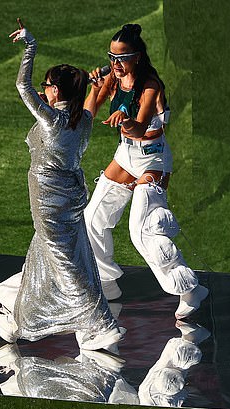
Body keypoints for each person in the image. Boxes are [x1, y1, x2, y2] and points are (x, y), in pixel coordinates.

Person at [0, 19, 124, 351]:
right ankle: (15, 319)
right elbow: (91, 103)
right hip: (69, 201)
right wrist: (97, 86)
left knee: (65, 263)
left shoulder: (52, 120)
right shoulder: (82, 121)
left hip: (48, 204)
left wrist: (30, 46)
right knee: (48, 259)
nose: (44, 89)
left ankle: (100, 323)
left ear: (55, 91)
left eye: (48, 85)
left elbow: (22, 86)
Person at [83, 23, 208, 319]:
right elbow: (90, 112)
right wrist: (94, 87)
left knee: (142, 230)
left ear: (137, 56)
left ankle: (189, 288)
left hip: (153, 157)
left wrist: (123, 119)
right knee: (93, 218)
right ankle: (107, 283)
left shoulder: (151, 85)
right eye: (111, 57)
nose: (115, 64)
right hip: (126, 155)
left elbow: (139, 126)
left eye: (121, 58)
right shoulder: (113, 78)